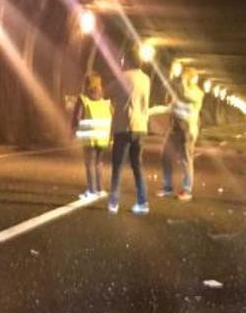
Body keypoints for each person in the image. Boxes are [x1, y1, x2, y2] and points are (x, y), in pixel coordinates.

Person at [107, 46, 152, 215]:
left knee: (118, 166)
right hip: (140, 127)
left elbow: (106, 93)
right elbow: (145, 104)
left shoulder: (122, 77)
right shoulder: (146, 79)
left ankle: (113, 203)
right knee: (137, 165)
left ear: (125, 60)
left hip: (123, 127)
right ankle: (143, 202)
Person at [158, 67, 205, 201]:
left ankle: (187, 190)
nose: (183, 78)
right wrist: (148, 112)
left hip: (188, 130)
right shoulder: (179, 91)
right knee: (165, 155)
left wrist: (178, 83)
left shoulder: (197, 93)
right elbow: (170, 105)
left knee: (186, 160)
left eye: (185, 76)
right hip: (175, 128)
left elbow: (185, 95)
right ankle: (167, 187)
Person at [72, 72, 112, 200]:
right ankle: (100, 189)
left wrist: (74, 130)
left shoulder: (83, 99)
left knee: (89, 163)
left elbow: (77, 117)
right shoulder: (105, 101)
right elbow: (112, 116)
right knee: (99, 163)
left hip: (89, 136)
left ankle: (91, 190)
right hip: (103, 136)